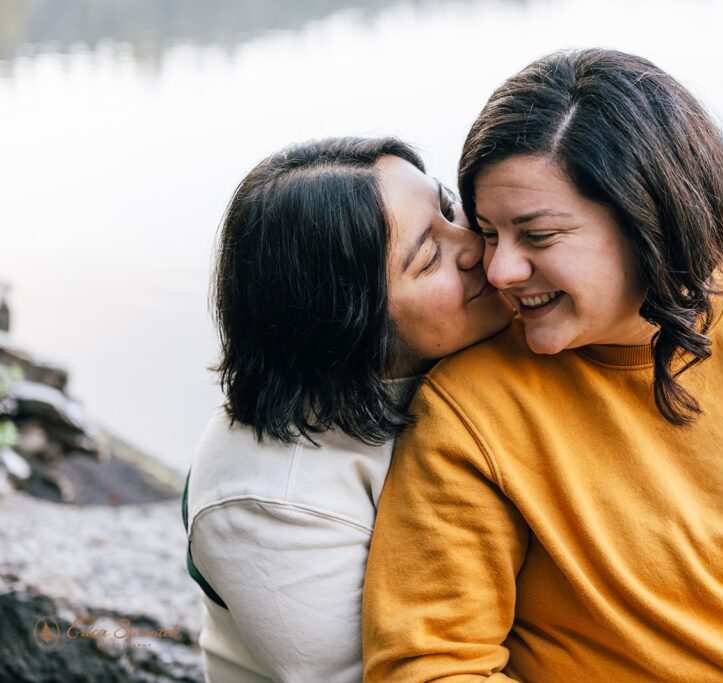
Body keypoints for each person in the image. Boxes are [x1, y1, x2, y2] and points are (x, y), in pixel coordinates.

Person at [363, 49, 723, 681]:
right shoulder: (468, 405)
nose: (500, 269)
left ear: (649, 218)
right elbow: (430, 665)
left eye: (538, 236)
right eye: (488, 231)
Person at [183, 136, 513, 683]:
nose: (478, 246)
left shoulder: (468, 346)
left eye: (449, 207)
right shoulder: (271, 499)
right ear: (347, 320)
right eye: (430, 257)